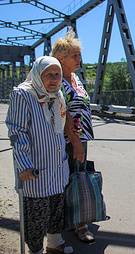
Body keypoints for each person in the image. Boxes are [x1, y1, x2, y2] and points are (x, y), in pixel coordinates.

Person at [6, 56, 74, 254]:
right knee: (36, 216)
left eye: (57, 74)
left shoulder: (58, 95)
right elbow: (17, 131)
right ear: (37, 74)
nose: (54, 79)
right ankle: (35, 251)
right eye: (48, 75)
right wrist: (24, 164)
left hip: (57, 165)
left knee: (56, 209)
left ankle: (54, 244)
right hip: (35, 168)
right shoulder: (23, 94)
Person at [51, 29, 96, 243]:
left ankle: (75, 219)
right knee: (69, 180)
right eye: (75, 55)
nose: (79, 59)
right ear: (61, 58)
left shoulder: (75, 78)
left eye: (79, 54)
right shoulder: (57, 80)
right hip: (68, 140)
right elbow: (65, 113)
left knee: (77, 177)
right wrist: (76, 143)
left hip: (81, 138)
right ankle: (77, 225)